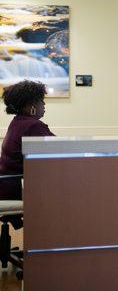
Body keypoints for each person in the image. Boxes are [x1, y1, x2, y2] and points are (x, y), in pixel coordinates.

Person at [0, 81, 54, 228]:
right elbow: (58, 149)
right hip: (17, 188)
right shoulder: (33, 126)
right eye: (41, 101)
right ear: (31, 106)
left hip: (7, 185)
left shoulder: (17, 122)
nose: (44, 104)